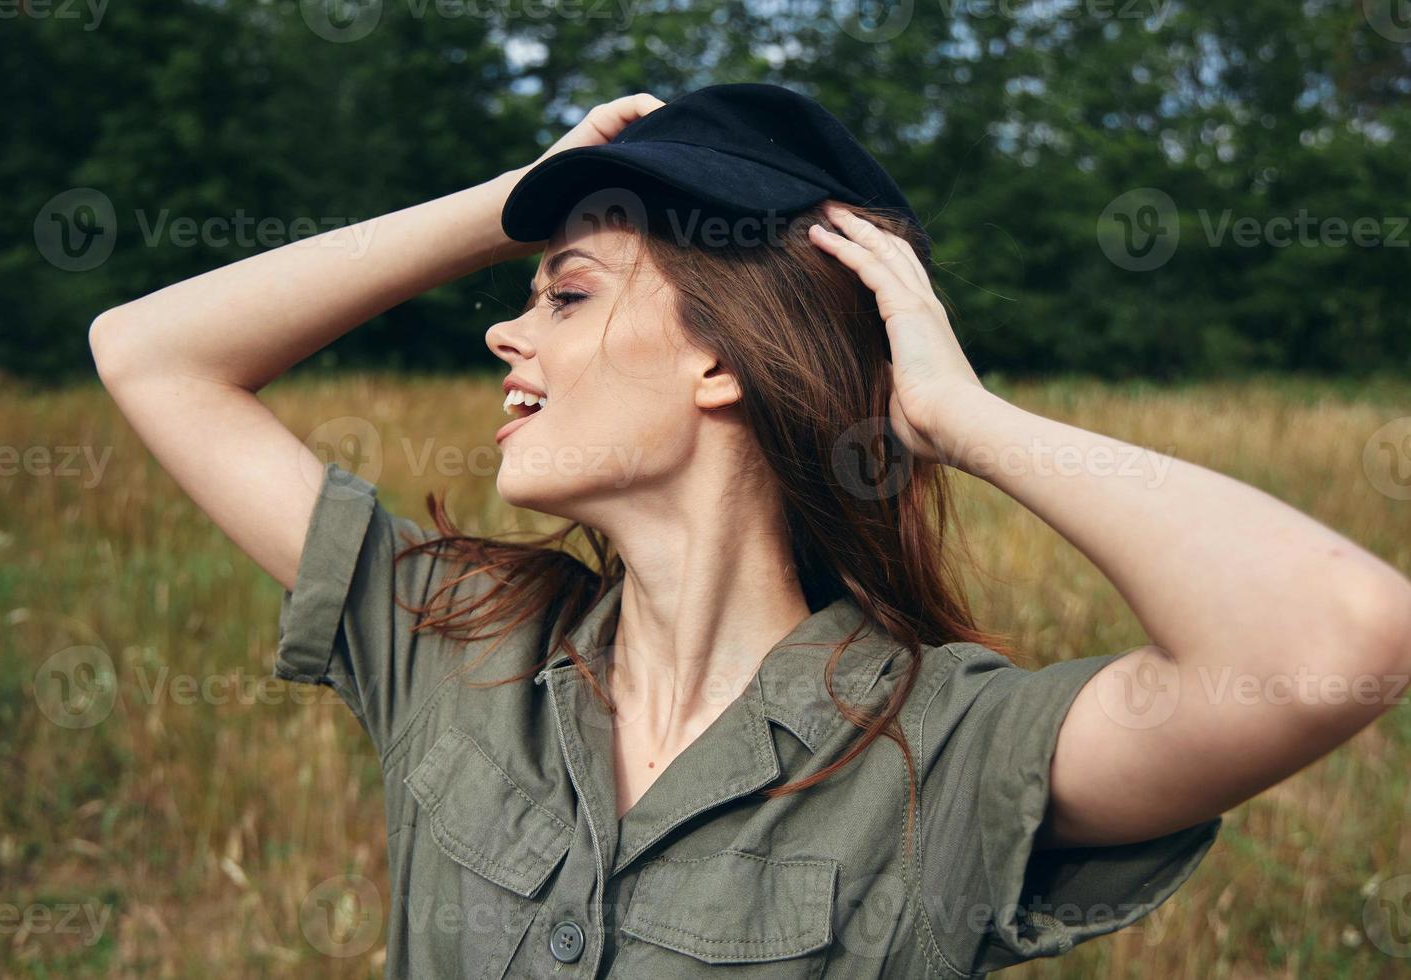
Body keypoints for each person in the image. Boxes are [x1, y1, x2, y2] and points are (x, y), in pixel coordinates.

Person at [89, 85, 1411, 978]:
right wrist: (521, 197)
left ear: (722, 360)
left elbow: (1334, 640)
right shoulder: (453, 641)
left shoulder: (948, 745)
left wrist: (953, 413)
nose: (504, 330)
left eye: (563, 292)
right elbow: (150, 354)